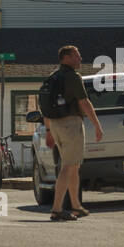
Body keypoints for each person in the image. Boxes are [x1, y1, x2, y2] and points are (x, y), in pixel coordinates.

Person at [43, 45, 102, 221]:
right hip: (70, 124)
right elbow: (84, 103)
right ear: (66, 58)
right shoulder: (72, 77)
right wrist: (97, 125)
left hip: (55, 124)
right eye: (76, 56)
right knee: (68, 167)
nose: (80, 59)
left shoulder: (52, 77)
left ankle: (76, 205)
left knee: (73, 166)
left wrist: (48, 130)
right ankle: (56, 209)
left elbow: (45, 106)